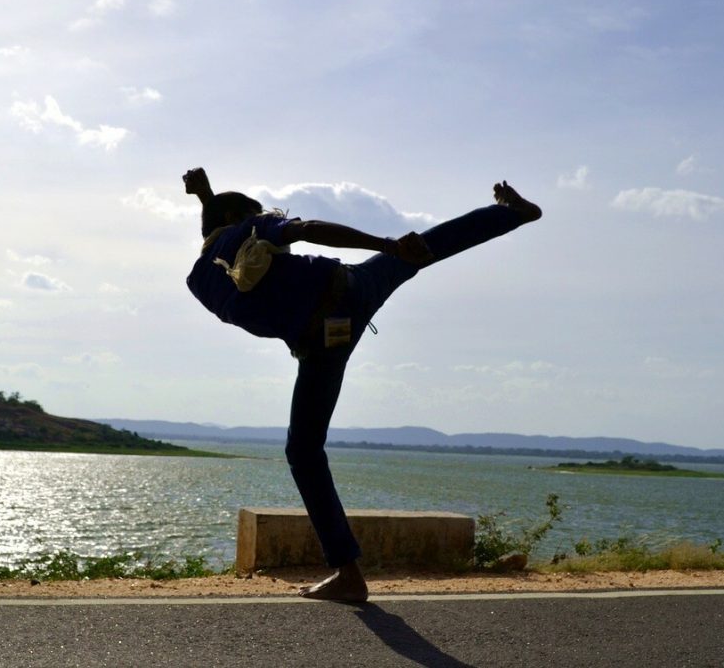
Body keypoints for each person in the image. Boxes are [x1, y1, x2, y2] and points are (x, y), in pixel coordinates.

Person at [183, 167, 541, 602]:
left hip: (319, 344)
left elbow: (216, 235)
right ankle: (509, 214)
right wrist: (386, 244)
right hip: (349, 293)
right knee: (421, 249)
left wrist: (204, 196)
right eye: (256, 212)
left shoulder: (200, 278)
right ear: (242, 215)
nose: (266, 215)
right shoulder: (251, 226)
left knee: (303, 452)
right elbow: (308, 228)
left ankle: (348, 573)